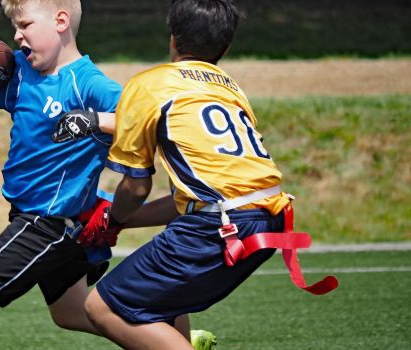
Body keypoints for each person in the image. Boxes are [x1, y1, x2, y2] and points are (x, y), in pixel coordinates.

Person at [55, 0, 334, 349]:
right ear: (226, 47)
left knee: (103, 307)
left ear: (173, 37)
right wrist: (125, 222)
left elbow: (137, 186)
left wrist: (113, 217)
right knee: (155, 306)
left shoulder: (150, 84)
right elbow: (190, 201)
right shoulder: (230, 88)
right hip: (266, 218)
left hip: (220, 225)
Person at [0, 1, 123, 349]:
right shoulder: (21, 71)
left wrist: (95, 120)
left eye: (25, 24)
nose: (17, 35)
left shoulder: (88, 84)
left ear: (61, 21)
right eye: (14, 26)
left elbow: (142, 118)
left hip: (46, 224)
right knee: (72, 314)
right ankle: (167, 336)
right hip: (30, 216)